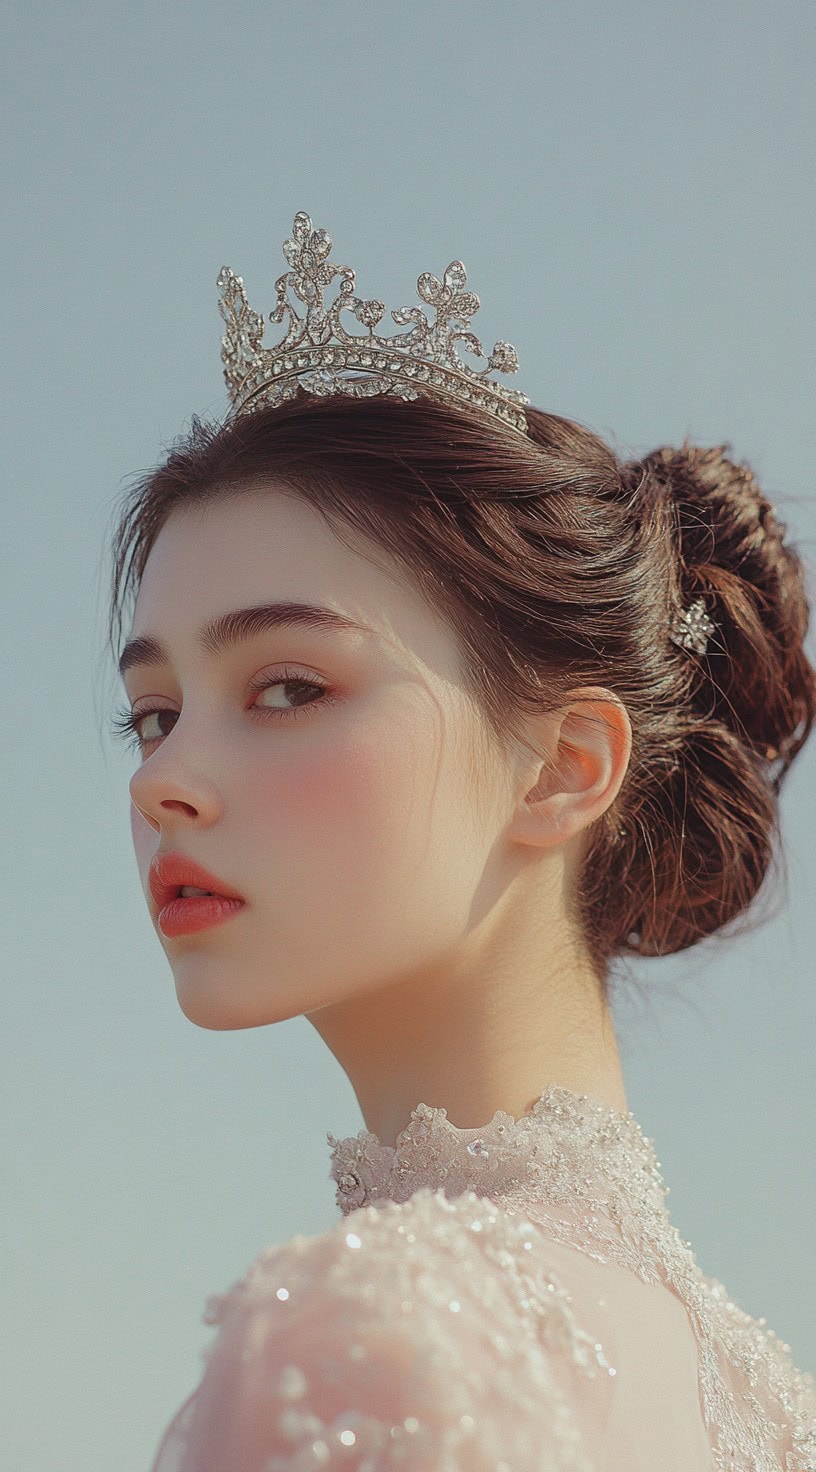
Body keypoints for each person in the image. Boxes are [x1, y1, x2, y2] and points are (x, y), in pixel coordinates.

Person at [108, 213, 816, 1469]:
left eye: (287, 687)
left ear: (562, 764)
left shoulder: (363, 1341)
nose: (167, 778)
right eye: (153, 714)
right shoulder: (763, 1400)